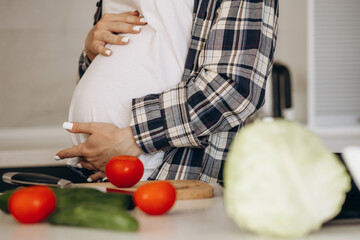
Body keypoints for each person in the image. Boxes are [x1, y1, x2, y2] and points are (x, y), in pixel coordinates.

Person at [56, 0, 279, 184]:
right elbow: (120, 64)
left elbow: (234, 87)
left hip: (172, 175)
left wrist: (133, 137)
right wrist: (92, 51)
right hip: (100, 176)